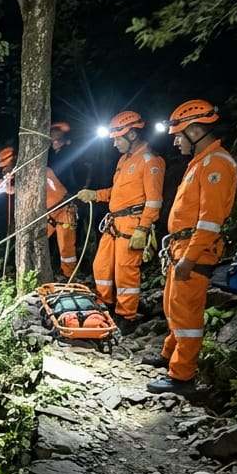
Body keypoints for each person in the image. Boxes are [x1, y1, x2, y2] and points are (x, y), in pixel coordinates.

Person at [143, 100, 237, 394]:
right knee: (174, 308)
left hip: (193, 252)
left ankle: (182, 377)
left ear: (196, 130)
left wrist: (190, 257)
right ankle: (170, 356)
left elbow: (210, 221)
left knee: (187, 315)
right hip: (181, 248)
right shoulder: (200, 162)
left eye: (179, 134)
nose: (175, 140)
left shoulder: (217, 164)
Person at [76, 111, 165, 333]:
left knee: (126, 272)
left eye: (118, 138)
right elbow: (117, 193)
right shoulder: (124, 160)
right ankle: (106, 306)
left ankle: (127, 316)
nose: (114, 144)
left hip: (133, 223)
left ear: (132, 135)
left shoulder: (151, 160)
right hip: (115, 222)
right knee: (101, 266)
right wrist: (95, 195)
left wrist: (143, 228)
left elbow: (154, 201)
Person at [0, 147, 77, 277]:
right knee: (34, 242)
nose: (4, 170)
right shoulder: (25, 174)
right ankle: (37, 275)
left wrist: (11, 186)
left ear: (14, 161)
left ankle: (71, 277)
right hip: (48, 214)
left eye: (6, 166)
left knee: (66, 248)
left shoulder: (37, 170)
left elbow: (24, 188)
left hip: (63, 210)